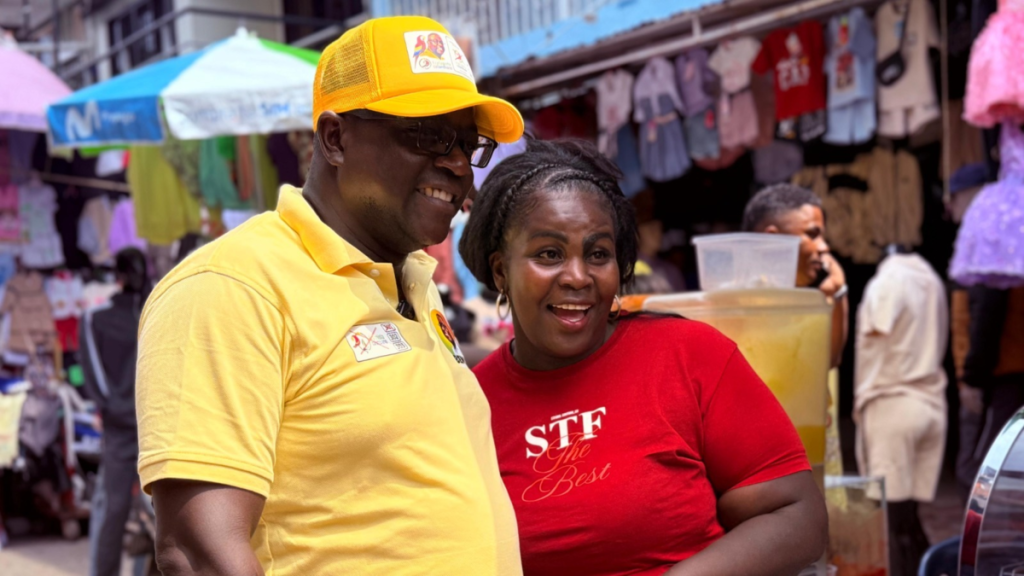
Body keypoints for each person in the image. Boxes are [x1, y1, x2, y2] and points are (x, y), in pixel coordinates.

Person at [136, 16, 525, 576]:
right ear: (335, 139)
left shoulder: (414, 281)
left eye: (468, 144)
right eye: (427, 135)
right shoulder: (233, 287)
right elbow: (199, 552)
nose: (457, 163)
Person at [459, 138, 827, 576]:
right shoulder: (471, 404)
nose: (577, 276)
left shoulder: (689, 355)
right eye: (549, 254)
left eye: (598, 254)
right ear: (501, 270)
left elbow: (797, 516)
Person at [854, 245, 949, 576]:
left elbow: (877, 324)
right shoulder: (932, 280)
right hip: (930, 404)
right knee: (907, 518)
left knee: (889, 524)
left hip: (893, 404)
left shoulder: (888, 281)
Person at [81, 248, 150, 576]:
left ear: (117, 276)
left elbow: (93, 375)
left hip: (129, 427)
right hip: (146, 425)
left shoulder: (97, 319)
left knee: (115, 509)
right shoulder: (152, 312)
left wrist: (113, 409)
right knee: (123, 509)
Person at [742, 184, 849, 368]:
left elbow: (828, 362)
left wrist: (837, 293)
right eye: (812, 234)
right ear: (772, 240)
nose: (824, 247)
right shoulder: (733, 303)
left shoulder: (810, 300)